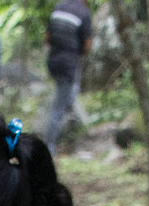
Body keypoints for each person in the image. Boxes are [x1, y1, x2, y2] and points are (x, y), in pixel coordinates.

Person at [43, 0, 92, 156]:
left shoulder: (59, 7)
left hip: (53, 61)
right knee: (58, 107)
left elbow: (47, 37)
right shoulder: (84, 13)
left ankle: (72, 135)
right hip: (69, 64)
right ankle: (49, 147)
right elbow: (87, 45)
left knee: (70, 96)